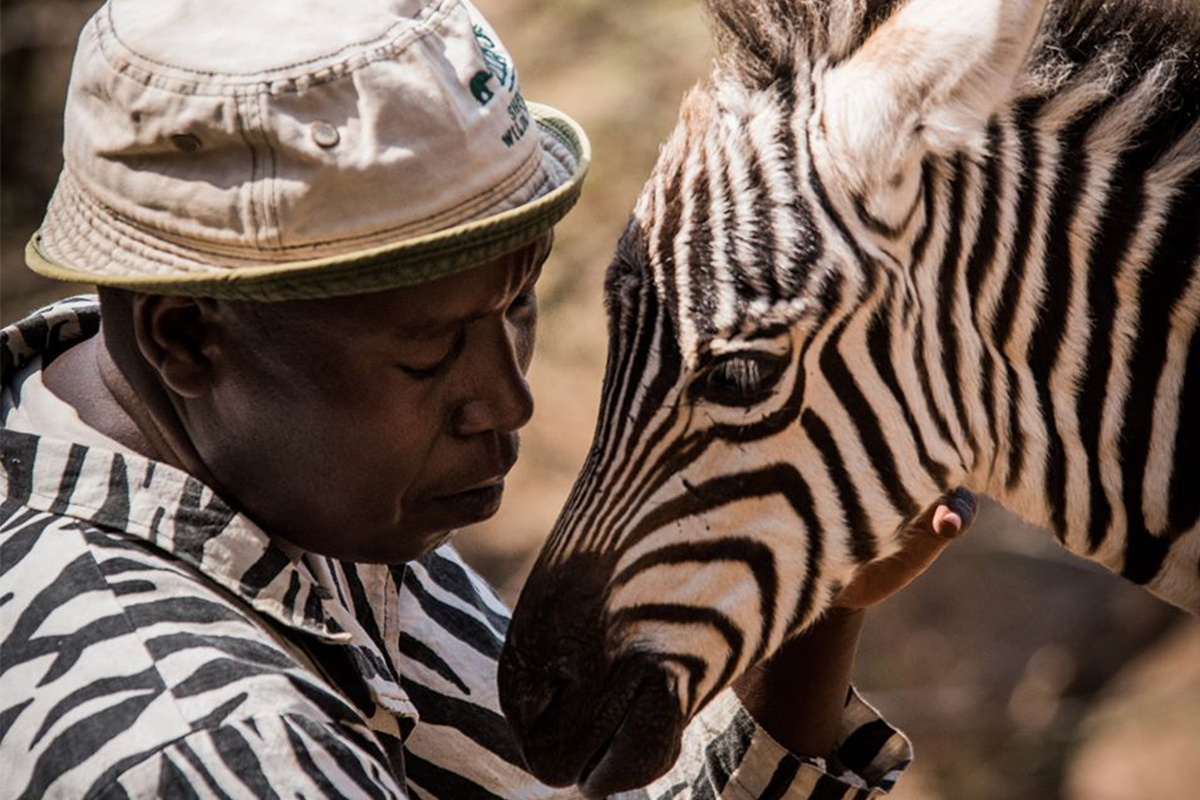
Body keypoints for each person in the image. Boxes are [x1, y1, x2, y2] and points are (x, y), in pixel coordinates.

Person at [0, 1, 975, 797]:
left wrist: (814, 591)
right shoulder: (211, 747)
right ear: (186, 336)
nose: (507, 402)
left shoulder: (284, 489)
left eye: (517, 305)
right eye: (429, 354)